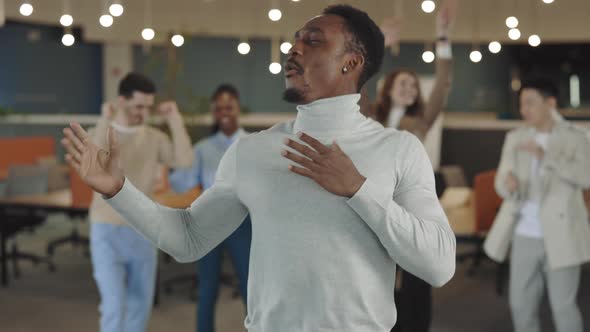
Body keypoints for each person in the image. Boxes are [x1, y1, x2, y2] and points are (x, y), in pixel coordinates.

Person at [62, 5, 456, 331]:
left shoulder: (399, 149)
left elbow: (438, 266)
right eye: (296, 38)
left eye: (313, 40)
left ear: (351, 62)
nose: (294, 48)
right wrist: (117, 189)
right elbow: (187, 239)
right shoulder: (251, 151)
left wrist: (358, 190)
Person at [86, 72, 193, 332]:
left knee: (139, 305)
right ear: (121, 100)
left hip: (143, 228)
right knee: (113, 305)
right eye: (138, 106)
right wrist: (104, 119)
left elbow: (184, 161)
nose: (143, 113)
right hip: (106, 228)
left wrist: (175, 121)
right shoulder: (101, 131)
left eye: (148, 107)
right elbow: (94, 166)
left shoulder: (155, 137)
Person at [373, 3, 456, 332]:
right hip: (376, 202)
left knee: (415, 278)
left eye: (413, 85)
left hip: (411, 206)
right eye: (403, 83)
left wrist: (442, 36)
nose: (410, 88)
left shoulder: (420, 121)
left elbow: (442, 84)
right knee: (378, 276)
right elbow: (358, 79)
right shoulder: (369, 117)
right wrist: (378, 40)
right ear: (388, 86)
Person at [484, 78, 590, 332]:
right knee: (521, 305)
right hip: (523, 233)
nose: (524, 110)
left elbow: (586, 176)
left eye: (530, 103)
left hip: (563, 233)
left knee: (563, 307)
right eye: (522, 104)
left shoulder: (576, 137)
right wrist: (506, 184)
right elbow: (501, 179)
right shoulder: (515, 138)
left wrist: (547, 157)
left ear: (550, 103)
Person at [168, 84, 251, 332]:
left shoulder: (252, 144)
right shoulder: (202, 148)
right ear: (214, 113)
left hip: (242, 223)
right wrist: (172, 166)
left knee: (251, 287)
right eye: (219, 108)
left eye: (229, 107)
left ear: (238, 109)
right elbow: (183, 182)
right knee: (207, 289)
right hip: (208, 223)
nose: (224, 112)